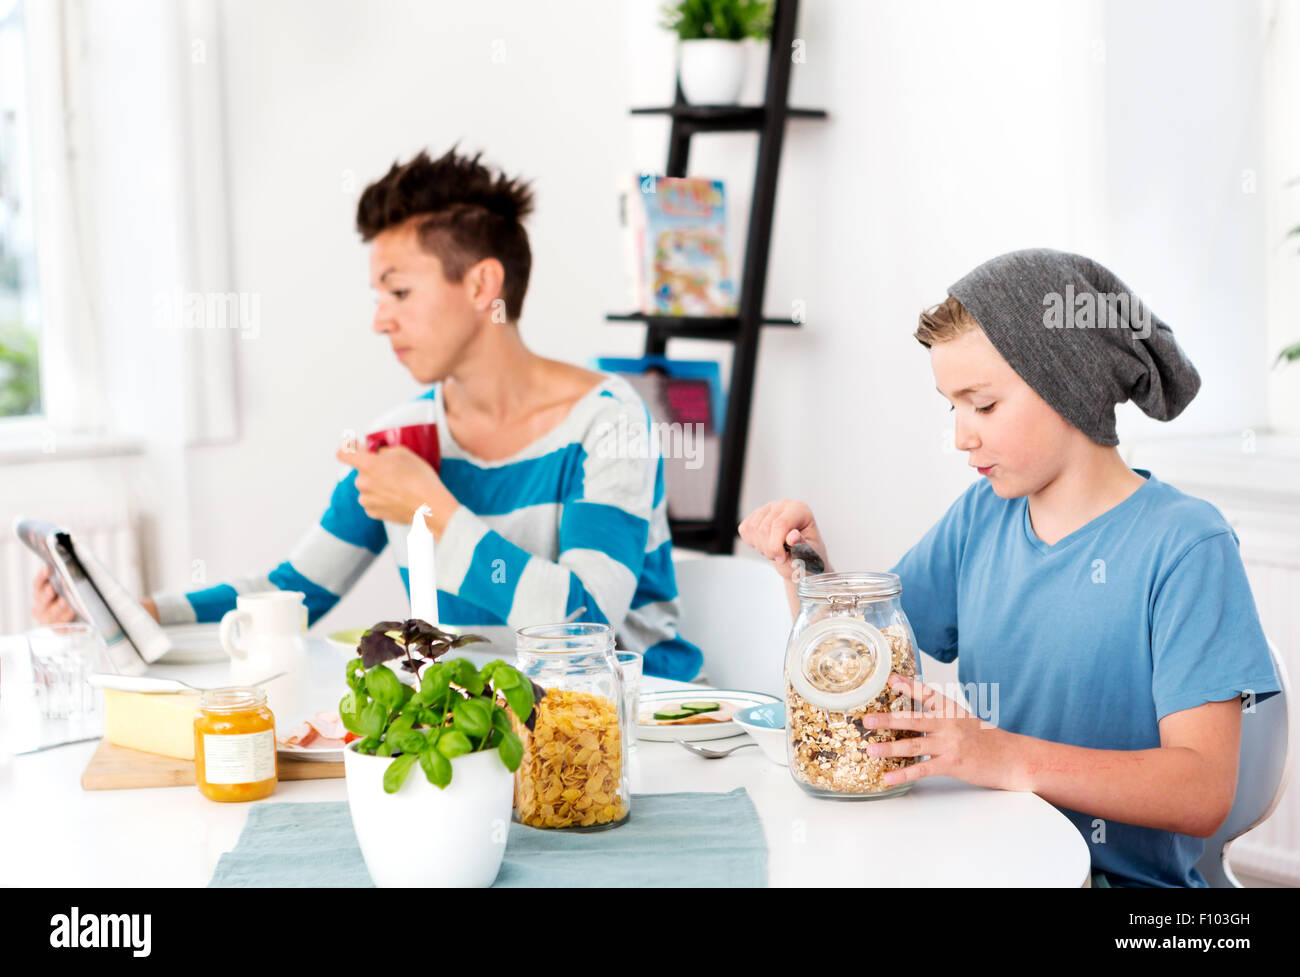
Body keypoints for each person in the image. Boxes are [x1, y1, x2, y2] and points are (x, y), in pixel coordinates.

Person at [32, 147, 702, 681]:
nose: (381, 319)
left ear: (481, 285)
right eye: (378, 294)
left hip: (642, 731)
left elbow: (587, 625)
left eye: (400, 291)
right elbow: (288, 593)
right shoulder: (400, 443)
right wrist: (131, 613)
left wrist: (436, 511)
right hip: (495, 741)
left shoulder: (608, 420)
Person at [739, 248, 1282, 887]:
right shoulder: (981, 518)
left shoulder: (1186, 545)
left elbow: (1200, 792)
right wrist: (810, 573)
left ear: (1068, 387)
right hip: (988, 864)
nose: (962, 435)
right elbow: (868, 670)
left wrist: (998, 756)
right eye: (953, 407)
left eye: (984, 405)